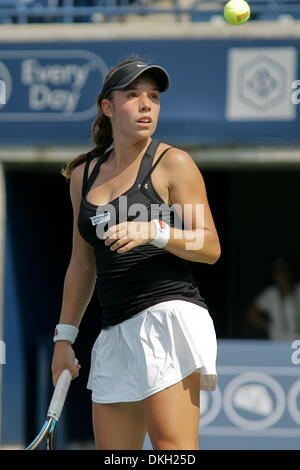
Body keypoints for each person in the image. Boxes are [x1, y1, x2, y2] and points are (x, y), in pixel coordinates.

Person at [51, 56, 221, 450]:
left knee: (171, 451)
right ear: (107, 107)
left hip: (169, 319)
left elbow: (208, 245)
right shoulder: (83, 175)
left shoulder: (174, 164)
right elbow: (81, 263)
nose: (146, 104)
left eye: (154, 96)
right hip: (114, 332)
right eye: (133, 95)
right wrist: (64, 338)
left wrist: (157, 231)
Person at [247, 256, 300, 340]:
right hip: (277, 344)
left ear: (291, 272)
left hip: (297, 344)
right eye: (278, 272)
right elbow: (252, 313)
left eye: (284, 270)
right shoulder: (270, 294)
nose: (282, 275)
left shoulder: (298, 290)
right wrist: (270, 327)